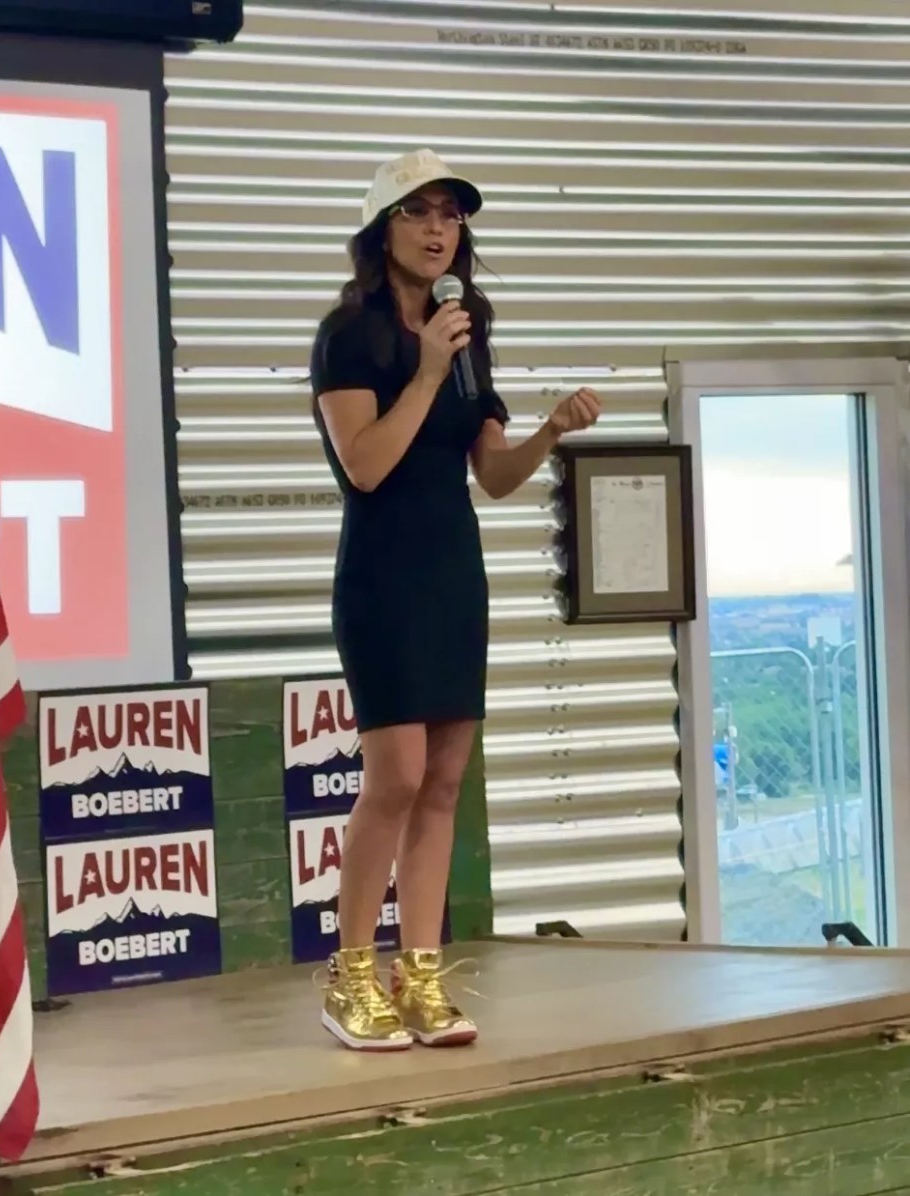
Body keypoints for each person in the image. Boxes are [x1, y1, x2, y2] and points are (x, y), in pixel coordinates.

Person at [309, 148, 602, 1051]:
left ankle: (422, 976)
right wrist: (428, 373)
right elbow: (365, 465)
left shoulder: (467, 326)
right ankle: (350, 975)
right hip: (382, 575)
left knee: (441, 780)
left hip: (451, 572)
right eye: (419, 213)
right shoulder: (351, 333)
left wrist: (550, 429)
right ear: (382, 228)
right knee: (393, 774)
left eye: (452, 215)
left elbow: (495, 474)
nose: (439, 230)